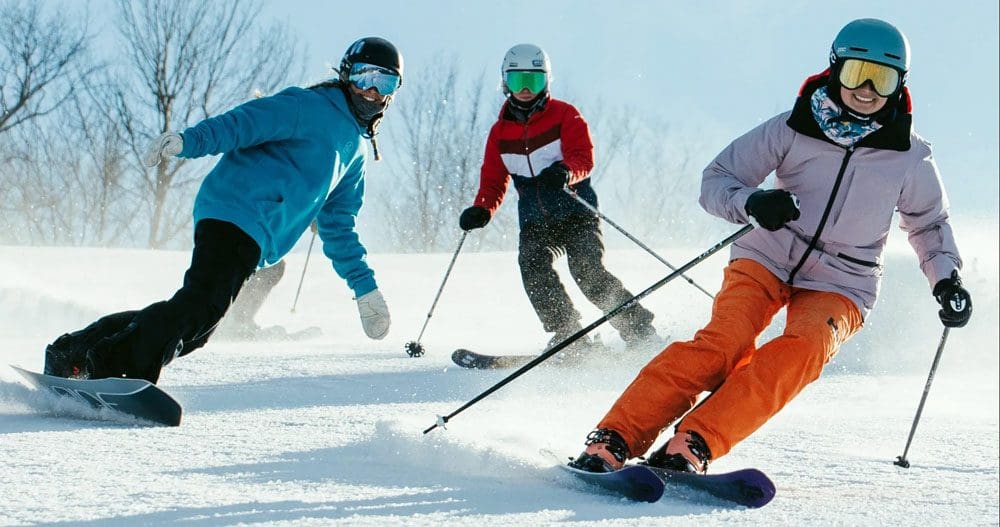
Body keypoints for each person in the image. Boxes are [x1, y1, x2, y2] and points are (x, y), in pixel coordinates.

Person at [570, 19, 972, 474]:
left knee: (803, 348)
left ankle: (693, 442)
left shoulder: (910, 156)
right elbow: (717, 180)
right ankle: (616, 437)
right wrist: (753, 202)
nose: (866, 89)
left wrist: (947, 280)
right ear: (834, 69)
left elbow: (929, 223)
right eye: (856, 72)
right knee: (726, 343)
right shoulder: (791, 128)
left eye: (882, 78)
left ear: (900, 84)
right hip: (766, 253)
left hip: (845, 280)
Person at [43, 37, 403, 383]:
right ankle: (114, 366)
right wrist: (188, 141)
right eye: (364, 76)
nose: (372, 91)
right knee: (201, 309)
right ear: (345, 74)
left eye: (384, 82)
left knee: (197, 320)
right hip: (236, 211)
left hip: (254, 235)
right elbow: (243, 124)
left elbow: (339, 226)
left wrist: (365, 289)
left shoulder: (355, 152)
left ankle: (75, 352)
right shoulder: (308, 107)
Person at [458, 43, 660, 355]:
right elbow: (493, 180)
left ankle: (639, 331)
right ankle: (570, 335)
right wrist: (482, 210)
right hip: (536, 221)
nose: (525, 89)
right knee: (532, 266)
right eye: (517, 81)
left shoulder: (565, 115)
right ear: (504, 83)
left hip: (576, 212)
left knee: (587, 270)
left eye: (534, 81)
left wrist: (566, 172)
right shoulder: (499, 134)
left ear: (546, 81)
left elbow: (583, 157)